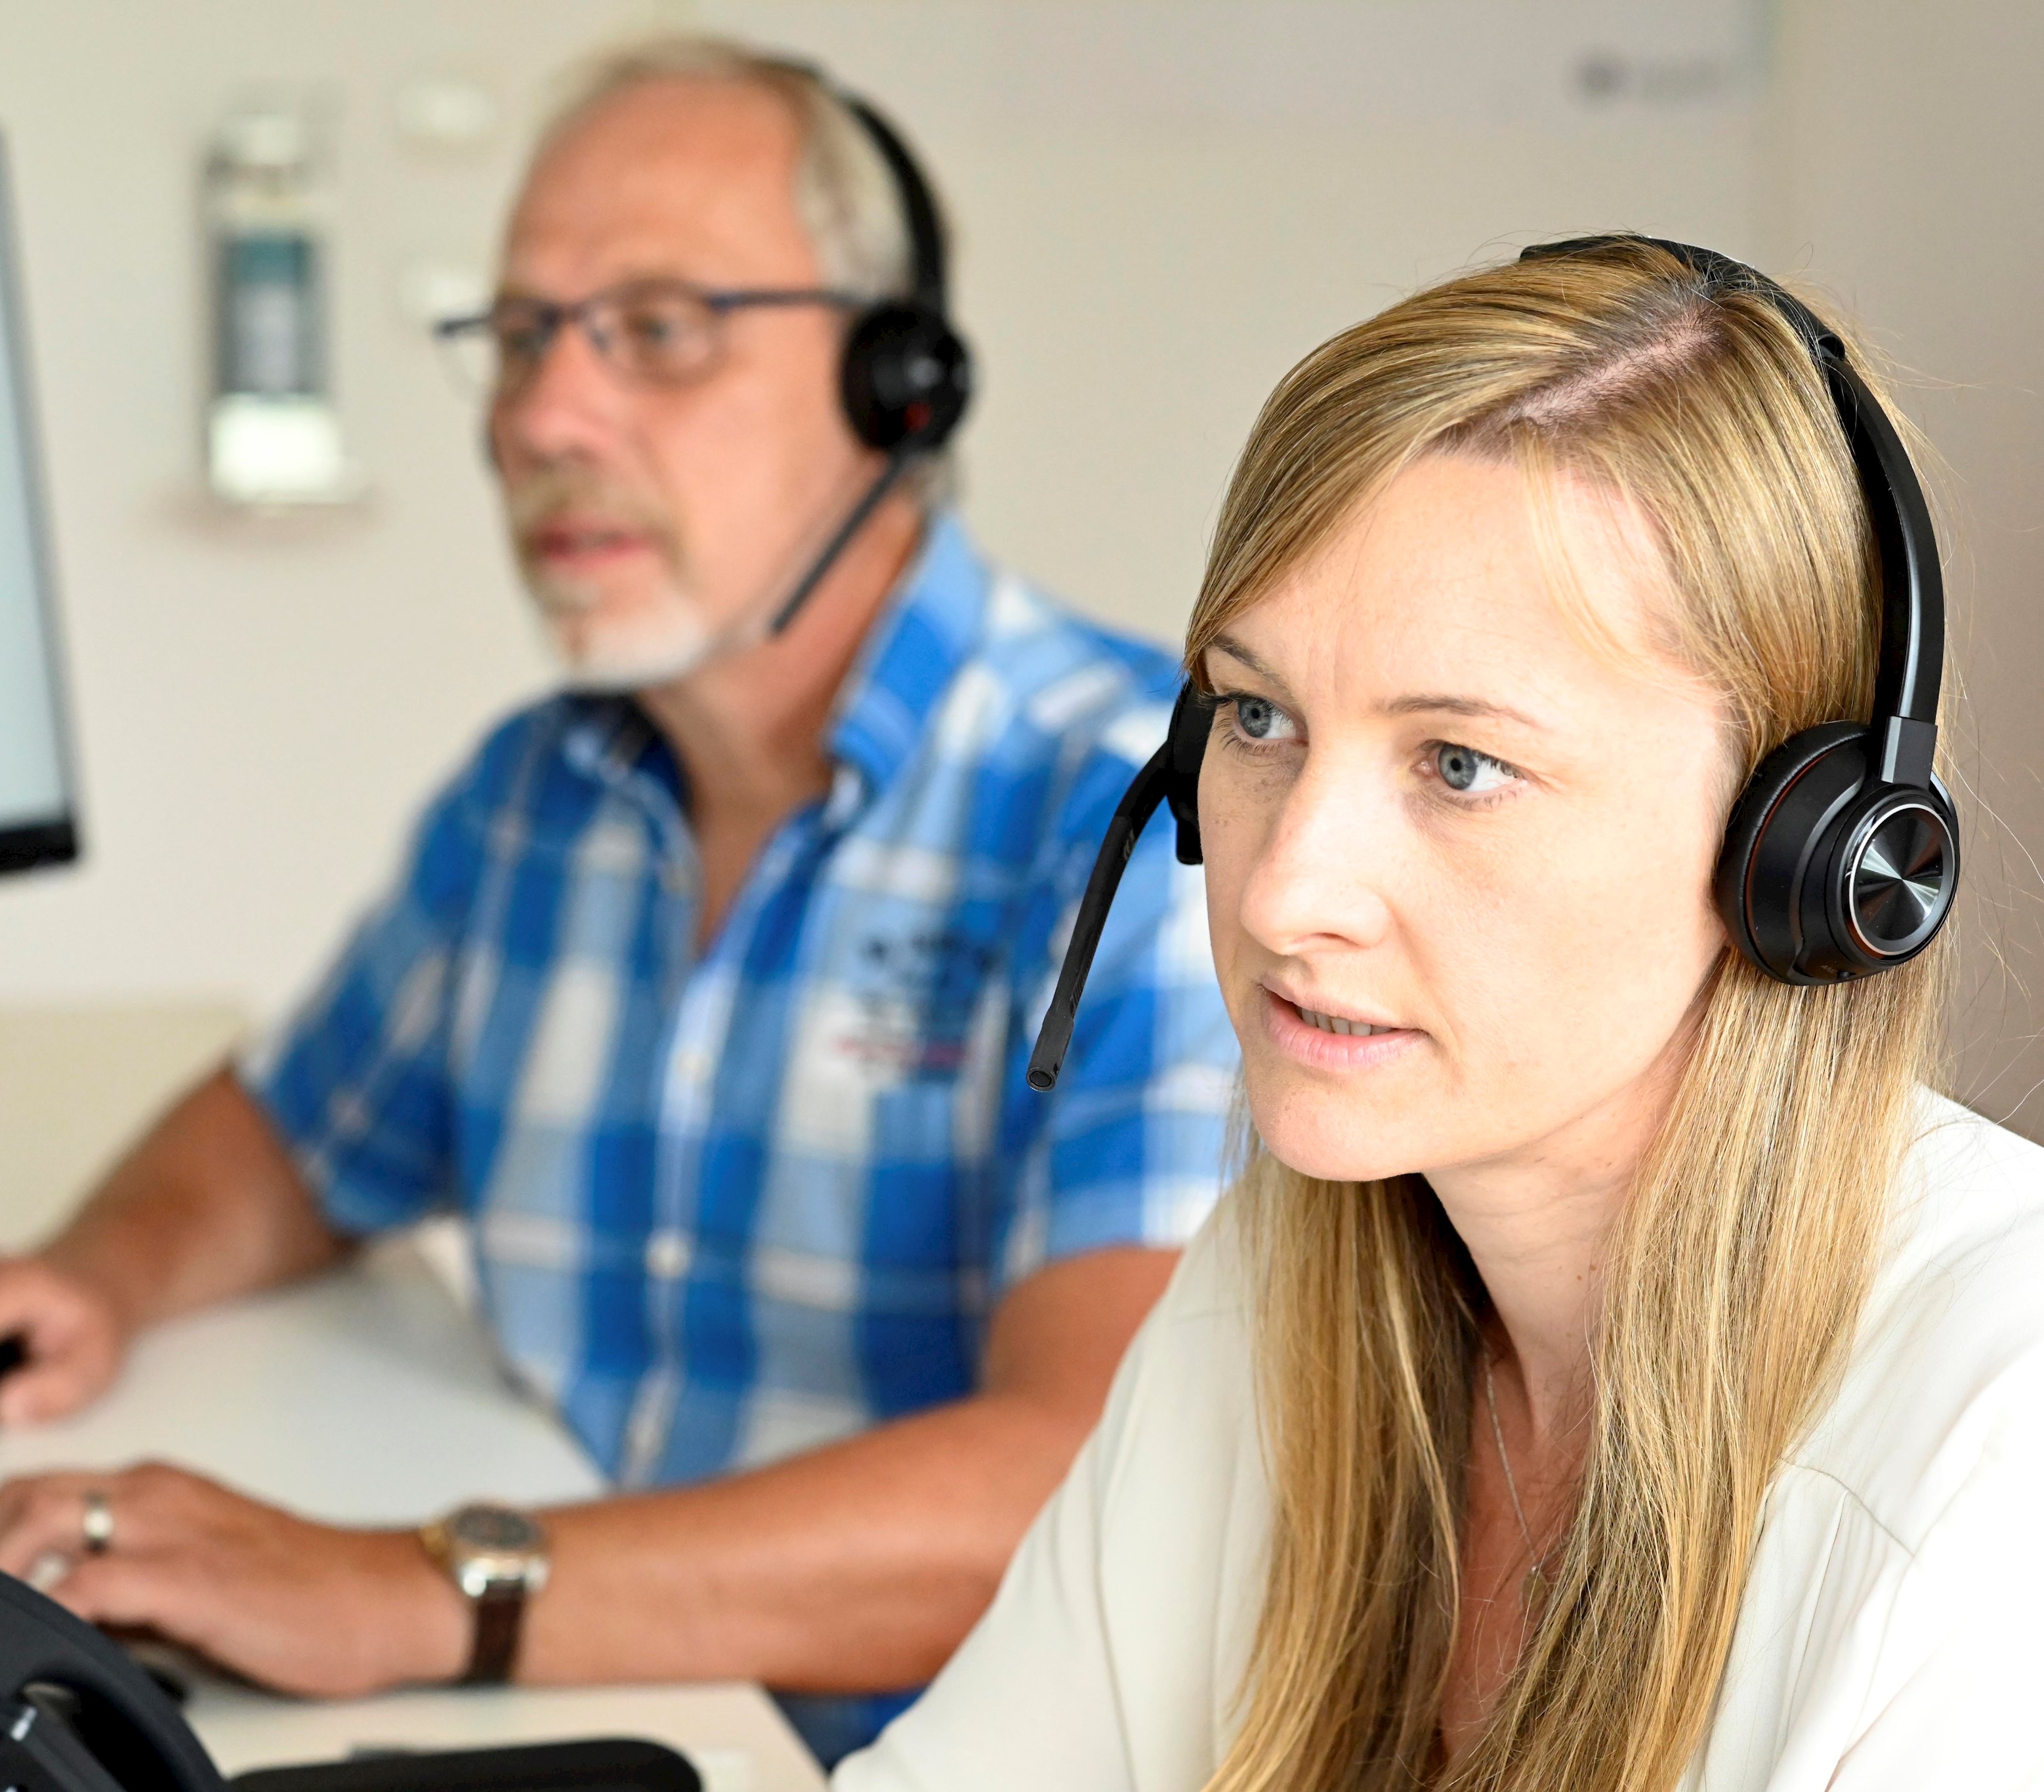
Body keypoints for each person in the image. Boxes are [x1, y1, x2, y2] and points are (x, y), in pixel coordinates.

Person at [0, 37, 1234, 1762]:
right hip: (627, 1706)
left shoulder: (1140, 822)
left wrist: (418, 1586)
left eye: (654, 328)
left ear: (898, 389)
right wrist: (98, 1271)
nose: (545, 417)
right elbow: (296, 1132)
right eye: (521, 335)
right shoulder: (539, 798)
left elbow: (1081, 1480)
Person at [835, 237, 2044, 1790]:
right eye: (1258, 717)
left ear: (1804, 851)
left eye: (1458, 763)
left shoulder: (1997, 1441)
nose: (1281, 897)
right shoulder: (1276, 1287)